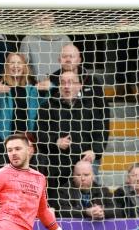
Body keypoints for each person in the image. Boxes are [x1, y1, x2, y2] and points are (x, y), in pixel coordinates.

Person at [37, 70, 109, 198]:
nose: (66, 86)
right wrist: (55, 142)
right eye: (63, 82)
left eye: (71, 82)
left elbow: (100, 133)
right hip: (57, 167)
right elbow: (39, 134)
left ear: (80, 86)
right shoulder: (46, 107)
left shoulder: (90, 107)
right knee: (58, 202)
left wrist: (94, 151)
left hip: (84, 164)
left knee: (89, 201)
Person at [0, 52, 46, 140]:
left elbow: (44, 107)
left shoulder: (32, 89)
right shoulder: (0, 87)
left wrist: (47, 89)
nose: (16, 66)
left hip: (27, 138)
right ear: (7, 67)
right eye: (12, 63)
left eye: (19, 63)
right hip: (5, 138)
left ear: (24, 66)